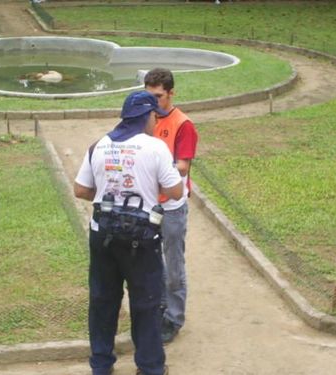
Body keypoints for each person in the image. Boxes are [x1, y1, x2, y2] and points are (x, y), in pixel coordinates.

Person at [74, 91, 183, 375]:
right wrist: (143, 191)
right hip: (142, 239)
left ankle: (101, 365)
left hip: (103, 236)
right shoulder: (155, 147)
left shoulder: (98, 145)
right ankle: (149, 367)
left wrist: (112, 194)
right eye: (152, 118)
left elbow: (81, 190)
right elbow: (175, 190)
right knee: (146, 303)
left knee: (102, 301)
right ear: (146, 117)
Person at [144, 68, 199, 344]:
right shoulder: (147, 118)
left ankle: (175, 318)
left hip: (173, 206)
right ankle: (162, 308)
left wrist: (153, 167)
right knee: (153, 260)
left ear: (171, 93)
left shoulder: (183, 124)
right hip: (150, 202)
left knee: (174, 264)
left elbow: (182, 166)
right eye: (149, 96)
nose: (154, 102)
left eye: (159, 97)